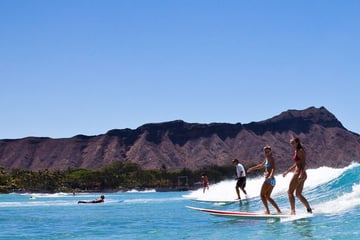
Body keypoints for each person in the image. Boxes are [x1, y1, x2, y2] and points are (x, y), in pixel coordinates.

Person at [247, 145, 281, 214]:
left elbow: (273, 168)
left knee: (262, 195)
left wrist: (270, 176)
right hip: (272, 180)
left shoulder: (271, 159)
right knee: (268, 196)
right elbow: (260, 166)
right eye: (265, 152)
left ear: (270, 152)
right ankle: (278, 210)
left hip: (269, 179)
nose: (266, 153)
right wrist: (252, 168)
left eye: (268, 151)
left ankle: (267, 211)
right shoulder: (266, 159)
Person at [283, 137, 312, 215]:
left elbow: (303, 163)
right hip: (300, 173)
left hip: (299, 173)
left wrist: (301, 174)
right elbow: (297, 163)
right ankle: (309, 209)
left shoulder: (300, 151)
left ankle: (293, 211)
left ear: (297, 142)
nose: (291, 144)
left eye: (293, 143)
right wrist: (287, 171)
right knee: (298, 194)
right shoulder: (296, 150)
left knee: (289, 192)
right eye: (290, 143)